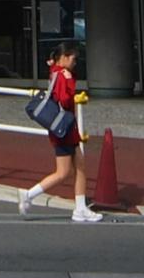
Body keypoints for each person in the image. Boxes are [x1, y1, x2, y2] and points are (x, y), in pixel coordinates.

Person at [19, 42, 101, 221]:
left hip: (63, 128)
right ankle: (29, 194)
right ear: (63, 57)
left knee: (80, 166)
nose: (75, 62)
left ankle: (80, 208)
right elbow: (64, 100)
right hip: (64, 129)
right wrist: (70, 80)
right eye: (73, 58)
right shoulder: (63, 75)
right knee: (63, 172)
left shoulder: (56, 72)